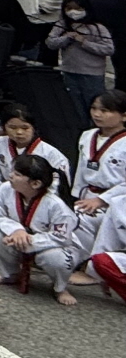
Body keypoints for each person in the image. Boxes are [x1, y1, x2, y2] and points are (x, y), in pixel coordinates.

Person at [0, 155, 79, 306]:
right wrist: (16, 231)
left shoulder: (56, 206)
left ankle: (60, 288)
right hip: (18, 236)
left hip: (50, 246)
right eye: (13, 172)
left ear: (35, 183)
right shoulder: (5, 188)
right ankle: (10, 274)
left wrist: (29, 240)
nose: (11, 176)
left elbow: (61, 238)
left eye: (18, 174)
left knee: (57, 258)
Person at [68, 90, 126, 281]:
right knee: (69, 216)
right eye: (94, 108)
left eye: (105, 110)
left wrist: (102, 200)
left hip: (117, 202)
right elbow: (81, 171)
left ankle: (91, 271)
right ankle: (69, 259)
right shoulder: (87, 136)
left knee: (82, 222)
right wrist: (77, 196)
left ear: (124, 115)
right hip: (88, 194)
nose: (97, 114)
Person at [0, 104, 72, 200]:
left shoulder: (50, 153)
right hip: (7, 198)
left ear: (34, 128)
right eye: (12, 127)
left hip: (40, 201)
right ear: (4, 128)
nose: (19, 132)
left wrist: (40, 199)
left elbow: (59, 182)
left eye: (25, 128)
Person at [47, 0, 114, 110]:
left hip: (92, 75)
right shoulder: (62, 25)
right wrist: (67, 38)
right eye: (69, 8)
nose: (73, 11)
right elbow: (50, 42)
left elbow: (108, 49)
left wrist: (84, 42)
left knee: (93, 105)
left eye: (78, 8)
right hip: (69, 72)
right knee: (74, 106)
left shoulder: (97, 28)